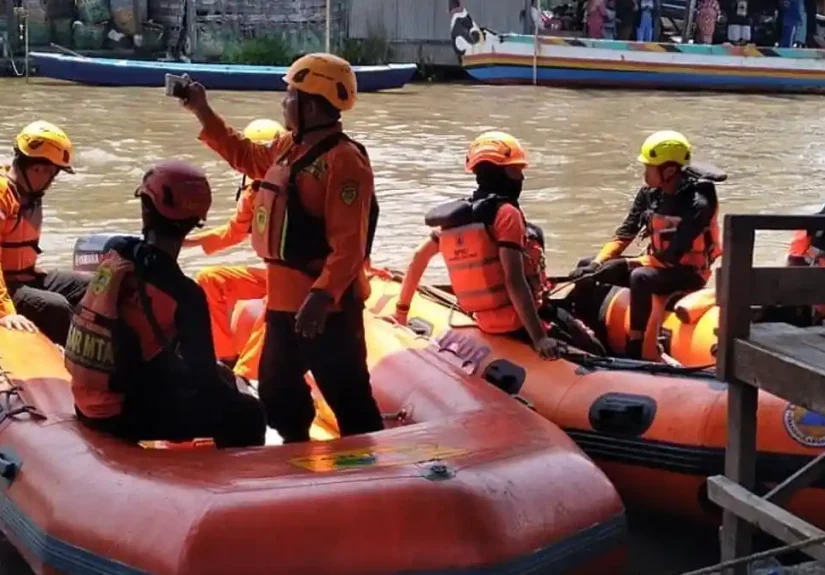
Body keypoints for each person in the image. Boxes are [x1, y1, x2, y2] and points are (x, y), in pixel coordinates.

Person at [180, 53, 384, 443]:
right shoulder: (288, 146)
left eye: (290, 95)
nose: (283, 102)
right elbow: (243, 154)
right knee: (276, 391)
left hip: (328, 309)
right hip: (284, 304)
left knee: (350, 396)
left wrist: (321, 298)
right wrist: (202, 110)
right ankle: (298, 452)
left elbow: (349, 245)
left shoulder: (345, 161)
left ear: (309, 103)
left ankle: (379, 471)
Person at [64, 161, 266, 448]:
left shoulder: (116, 252)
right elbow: (205, 382)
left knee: (217, 377)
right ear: (198, 217)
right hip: (123, 415)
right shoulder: (185, 295)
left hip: (85, 403)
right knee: (248, 413)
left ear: (146, 208)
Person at [391, 131, 560, 360]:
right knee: (589, 338)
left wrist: (401, 312)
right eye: (516, 170)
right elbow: (514, 279)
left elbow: (418, 258)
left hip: (484, 321)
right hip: (517, 322)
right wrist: (540, 338)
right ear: (503, 172)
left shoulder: (458, 218)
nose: (521, 177)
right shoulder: (507, 214)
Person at [570, 131, 721, 360]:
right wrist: (599, 264)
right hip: (657, 264)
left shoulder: (698, 203)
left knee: (640, 277)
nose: (645, 173)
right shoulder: (649, 194)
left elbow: (673, 254)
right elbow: (624, 234)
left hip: (688, 273)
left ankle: (635, 345)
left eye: (650, 167)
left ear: (669, 171)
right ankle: (581, 332)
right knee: (586, 264)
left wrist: (625, 265)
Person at [185, 118, 286, 381]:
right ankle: (225, 358)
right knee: (210, 279)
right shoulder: (253, 193)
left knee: (276, 297)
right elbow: (234, 232)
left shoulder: (299, 190)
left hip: (304, 280)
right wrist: (186, 240)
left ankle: (246, 377)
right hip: (274, 275)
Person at [0, 121, 91, 345]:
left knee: (91, 286)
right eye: (52, 173)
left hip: (24, 278)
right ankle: (73, 365)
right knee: (55, 306)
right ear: (37, 168)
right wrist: (5, 312)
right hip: (6, 287)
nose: (51, 181)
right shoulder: (3, 194)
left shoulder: (28, 193)